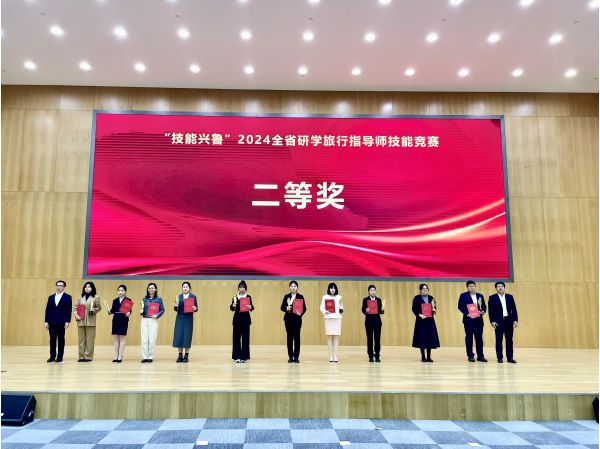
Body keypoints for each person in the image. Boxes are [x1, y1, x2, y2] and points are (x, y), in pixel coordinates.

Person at [457, 280, 487, 363]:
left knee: (479, 338)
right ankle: (470, 356)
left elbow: (484, 306)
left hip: (478, 320)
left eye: (473, 286)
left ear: (475, 287)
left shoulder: (480, 296)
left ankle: (480, 356)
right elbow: (460, 306)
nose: (472, 288)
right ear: (467, 287)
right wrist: (467, 314)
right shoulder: (463, 295)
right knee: (469, 338)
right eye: (470, 286)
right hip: (468, 320)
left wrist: (483, 311)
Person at [488, 281, 518, 363]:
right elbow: (491, 311)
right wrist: (492, 321)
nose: (500, 288)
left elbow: (514, 309)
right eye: (498, 286)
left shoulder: (510, 297)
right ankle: (500, 357)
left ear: (504, 287)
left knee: (509, 340)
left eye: (501, 286)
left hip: (509, 321)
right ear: (496, 288)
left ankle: (510, 357)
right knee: (499, 340)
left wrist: (515, 320)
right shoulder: (492, 297)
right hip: (498, 321)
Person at [44, 280, 72, 363]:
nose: (58, 287)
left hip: (62, 322)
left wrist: (67, 321)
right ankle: (52, 356)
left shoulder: (67, 297)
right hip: (51, 321)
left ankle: (60, 357)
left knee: (61, 339)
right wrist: (46, 321)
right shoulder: (51, 297)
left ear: (64, 287)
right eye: (57, 285)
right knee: (52, 339)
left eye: (61, 285)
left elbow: (68, 310)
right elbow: (47, 310)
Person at [411, 283, 440, 362]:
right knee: (422, 338)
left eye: (426, 289)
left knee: (430, 338)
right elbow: (414, 309)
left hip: (430, 321)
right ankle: (423, 356)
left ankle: (429, 357)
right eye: (423, 289)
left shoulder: (431, 298)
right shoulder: (417, 298)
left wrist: (434, 310)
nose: (425, 290)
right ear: (420, 290)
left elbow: (434, 309)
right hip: (421, 321)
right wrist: (420, 315)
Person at [73, 281, 101, 362]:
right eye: (86, 286)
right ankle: (81, 356)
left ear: (92, 288)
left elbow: (99, 307)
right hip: (81, 320)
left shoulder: (96, 297)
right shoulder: (80, 297)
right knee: (81, 340)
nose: (87, 288)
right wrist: (77, 316)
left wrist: (94, 310)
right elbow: (75, 308)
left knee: (90, 340)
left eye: (89, 286)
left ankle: (88, 356)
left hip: (90, 320)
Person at [280, 280, 307, 363]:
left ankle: (296, 357)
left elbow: (304, 308)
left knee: (297, 338)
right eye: (291, 286)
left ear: (297, 287)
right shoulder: (286, 296)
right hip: (288, 319)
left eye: (295, 286)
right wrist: (286, 308)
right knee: (289, 337)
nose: (293, 287)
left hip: (297, 319)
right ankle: (290, 357)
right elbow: (282, 307)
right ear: (289, 287)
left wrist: (300, 313)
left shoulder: (300, 296)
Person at [172, 281, 198, 363]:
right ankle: (180, 355)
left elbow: (196, 308)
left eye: (187, 287)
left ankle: (186, 356)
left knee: (187, 336)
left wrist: (195, 308)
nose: (185, 288)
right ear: (182, 288)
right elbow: (175, 309)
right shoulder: (178, 297)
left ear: (190, 288)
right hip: (180, 317)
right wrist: (176, 306)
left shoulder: (193, 296)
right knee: (179, 335)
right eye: (184, 287)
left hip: (188, 318)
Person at [139, 283, 165, 363]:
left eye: (152, 288)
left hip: (153, 320)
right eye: (149, 288)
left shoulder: (158, 299)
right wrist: (141, 312)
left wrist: (157, 315)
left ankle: (150, 357)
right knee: (144, 339)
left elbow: (162, 309)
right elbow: (142, 309)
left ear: (155, 289)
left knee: (152, 339)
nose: (151, 289)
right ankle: (144, 356)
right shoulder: (144, 299)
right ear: (147, 289)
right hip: (144, 320)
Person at [230, 280, 254, 363]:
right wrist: (233, 305)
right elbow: (231, 308)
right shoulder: (235, 297)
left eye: (243, 287)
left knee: (245, 338)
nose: (242, 289)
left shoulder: (248, 297)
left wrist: (250, 307)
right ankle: (237, 356)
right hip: (237, 320)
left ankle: (244, 357)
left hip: (246, 320)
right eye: (240, 287)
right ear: (238, 288)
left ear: (245, 289)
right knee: (236, 338)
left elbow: (252, 307)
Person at [106, 285, 131, 363]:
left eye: (122, 290)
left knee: (122, 338)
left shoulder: (128, 300)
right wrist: (109, 311)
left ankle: (120, 355)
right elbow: (112, 311)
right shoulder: (115, 300)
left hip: (123, 319)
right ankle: (116, 355)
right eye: (119, 290)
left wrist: (129, 313)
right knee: (116, 338)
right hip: (116, 319)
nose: (120, 292)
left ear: (125, 291)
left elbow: (129, 311)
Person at [320, 282, 343, 362]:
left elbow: (341, 307)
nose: (332, 289)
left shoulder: (339, 297)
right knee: (329, 337)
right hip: (328, 318)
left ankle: (335, 356)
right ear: (329, 289)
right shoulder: (325, 297)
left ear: (336, 289)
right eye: (331, 288)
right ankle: (330, 356)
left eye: (334, 288)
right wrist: (325, 311)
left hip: (337, 318)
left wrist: (341, 310)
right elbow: (321, 307)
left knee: (336, 337)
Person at [361, 284, 384, 362]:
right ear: (369, 291)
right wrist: (366, 310)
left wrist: (382, 309)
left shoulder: (378, 300)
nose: (373, 292)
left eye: (374, 290)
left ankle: (377, 355)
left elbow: (381, 312)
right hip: (369, 321)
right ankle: (370, 356)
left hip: (377, 321)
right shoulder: (365, 300)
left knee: (377, 339)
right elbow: (363, 309)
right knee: (370, 339)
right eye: (371, 290)